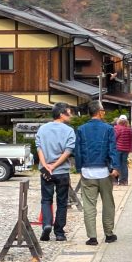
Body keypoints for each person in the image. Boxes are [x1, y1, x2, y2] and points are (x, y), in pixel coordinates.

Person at [74, 101, 121, 246]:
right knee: (108, 203)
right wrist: (116, 167)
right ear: (99, 112)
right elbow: (113, 149)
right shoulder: (108, 129)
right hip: (104, 171)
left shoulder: (81, 129)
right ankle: (108, 234)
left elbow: (78, 151)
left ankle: (92, 237)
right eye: (103, 111)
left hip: (88, 171)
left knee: (89, 205)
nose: (104, 113)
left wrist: (79, 168)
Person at [35, 102, 75, 242]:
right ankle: (59, 232)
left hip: (46, 171)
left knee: (46, 199)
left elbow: (39, 147)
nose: (70, 116)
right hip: (62, 171)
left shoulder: (42, 129)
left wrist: (46, 165)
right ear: (61, 114)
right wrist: (55, 165)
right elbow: (68, 151)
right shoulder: (69, 131)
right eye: (68, 113)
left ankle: (46, 224)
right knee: (62, 201)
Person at [113, 115, 132, 186]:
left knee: (116, 164)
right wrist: (131, 148)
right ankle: (124, 181)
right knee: (124, 165)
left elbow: (114, 138)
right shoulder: (129, 129)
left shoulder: (116, 128)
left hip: (117, 149)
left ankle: (115, 181)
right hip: (126, 150)